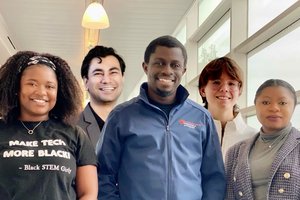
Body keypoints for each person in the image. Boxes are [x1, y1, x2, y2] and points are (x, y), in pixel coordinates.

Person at [97, 35, 226, 199]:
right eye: (159, 63)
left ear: (183, 71)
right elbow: (103, 175)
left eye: (175, 65)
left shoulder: (201, 117)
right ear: (145, 67)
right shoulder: (121, 117)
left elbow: (214, 177)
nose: (167, 70)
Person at [0, 51, 98, 200]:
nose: (41, 92)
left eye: (50, 86)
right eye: (32, 83)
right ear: (16, 88)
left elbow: (88, 194)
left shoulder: (75, 135)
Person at [225, 79, 300, 200]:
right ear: (256, 106)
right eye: (265, 102)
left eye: (282, 103)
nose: (274, 108)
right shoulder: (235, 152)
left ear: (293, 107)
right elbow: (229, 196)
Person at [198, 57, 256, 157]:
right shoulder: (188, 133)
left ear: (240, 91)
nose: (224, 89)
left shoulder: (254, 138)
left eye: (231, 83)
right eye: (216, 82)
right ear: (202, 90)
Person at [78, 45, 126, 149]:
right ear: (86, 82)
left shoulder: (135, 124)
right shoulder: (71, 127)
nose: (106, 80)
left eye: (113, 72)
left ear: (122, 78)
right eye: (98, 73)